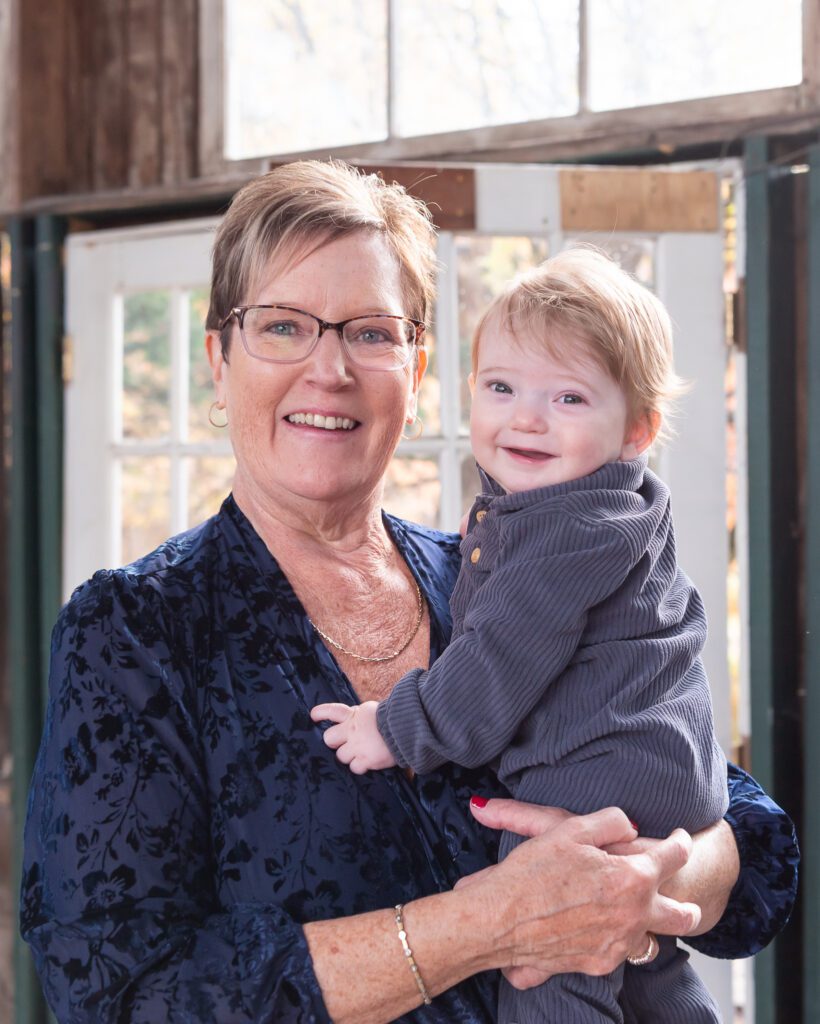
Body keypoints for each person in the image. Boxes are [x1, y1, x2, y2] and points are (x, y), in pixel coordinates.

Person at [21, 161, 798, 1024]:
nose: (329, 370)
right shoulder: (134, 629)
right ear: (218, 358)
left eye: (370, 332)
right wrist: (488, 922)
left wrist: (633, 886)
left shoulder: (488, 565)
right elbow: (115, 994)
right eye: (282, 326)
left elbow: (748, 841)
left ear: (420, 368)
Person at [311, 248, 729, 1023]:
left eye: (569, 397)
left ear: (638, 428)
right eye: (501, 388)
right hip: (658, 770)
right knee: (648, 975)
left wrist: (395, 728)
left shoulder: (564, 536)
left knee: (551, 959)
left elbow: (491, 671)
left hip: (599, 781)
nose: (526, 417)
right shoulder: (606, 512)